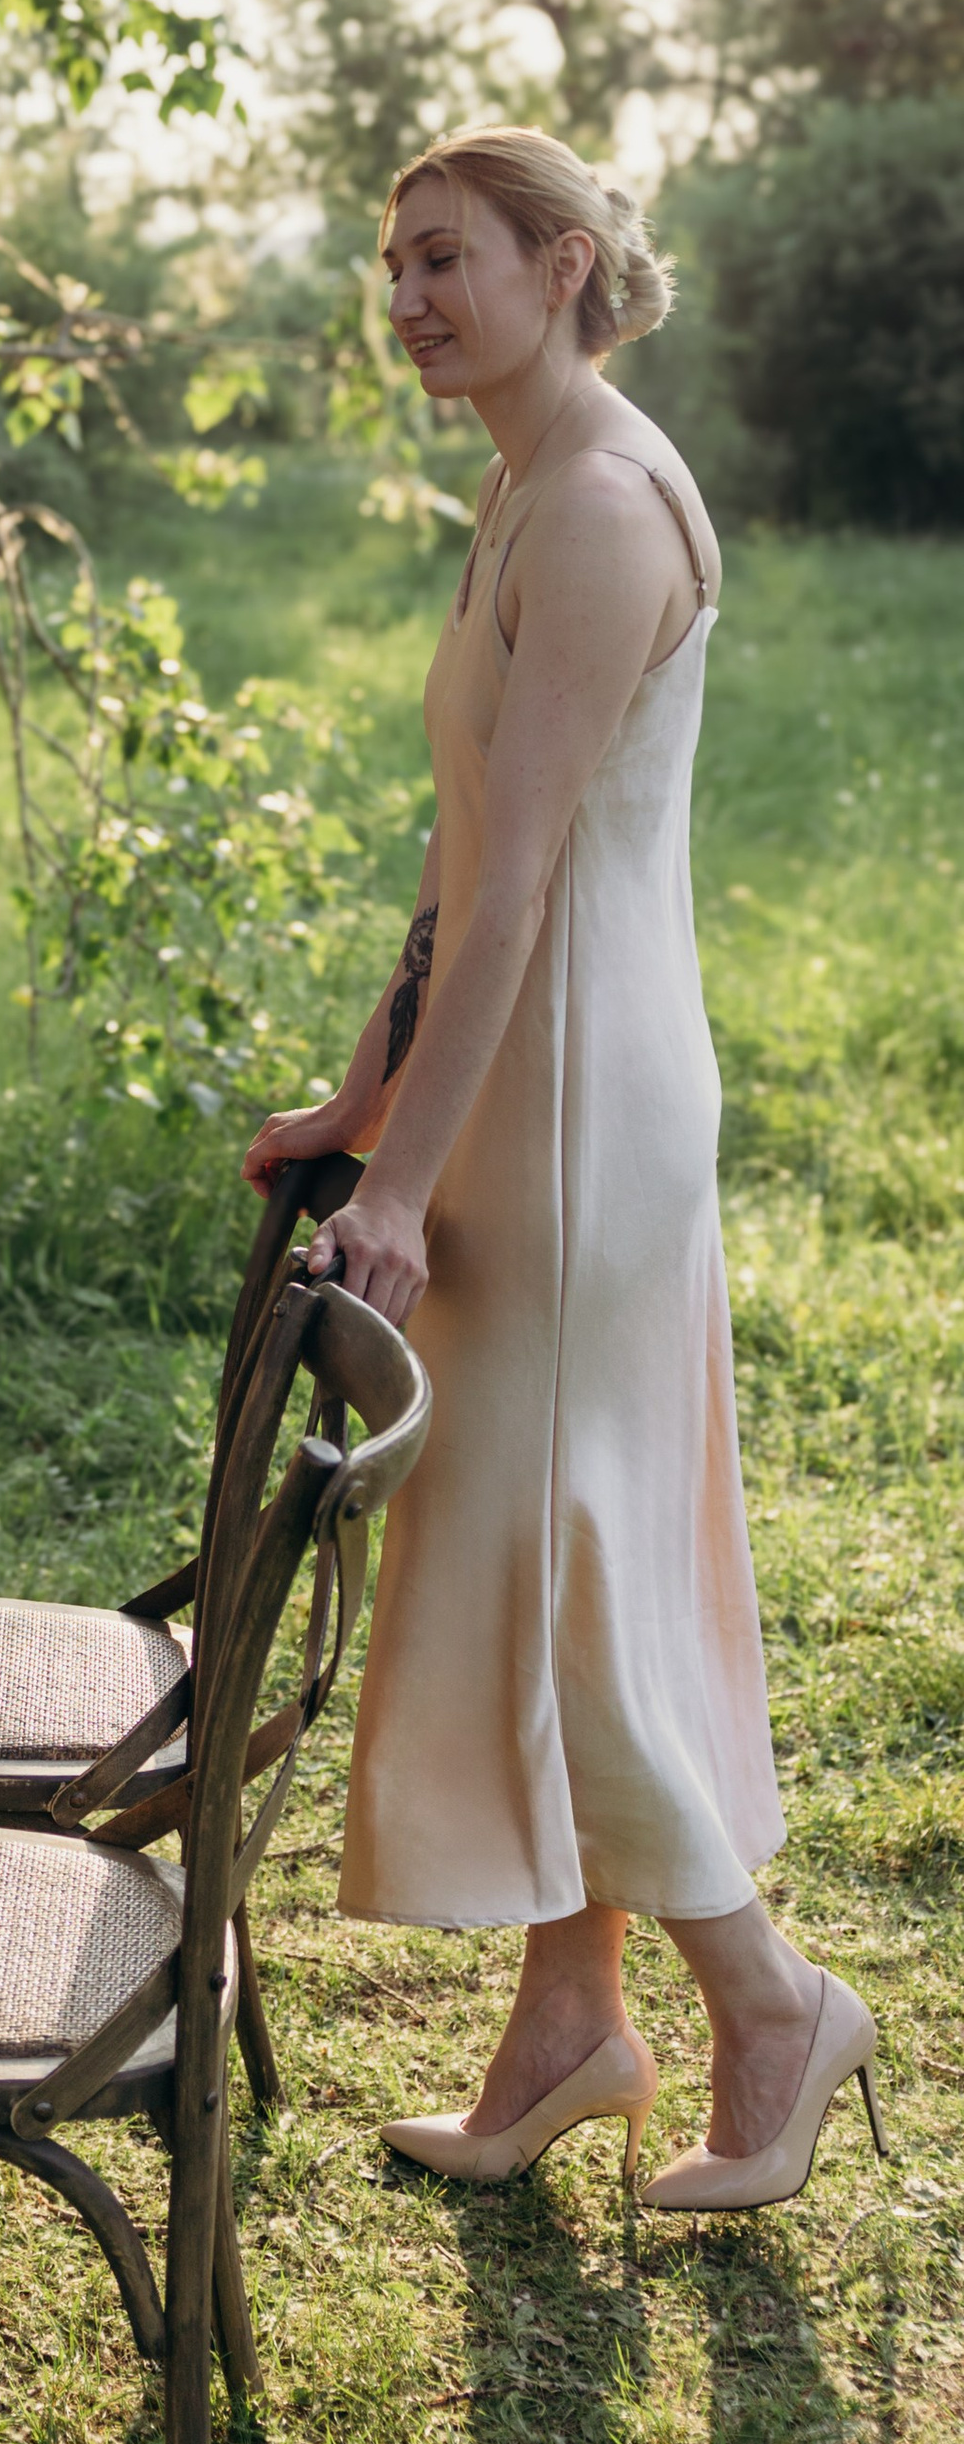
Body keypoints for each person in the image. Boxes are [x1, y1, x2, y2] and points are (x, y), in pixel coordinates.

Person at [245, 125, 884, 2212]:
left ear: (567, 261)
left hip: (578, 1111)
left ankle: (769, 2005)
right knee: (543, 1549)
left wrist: (399, 1193)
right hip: (508, 1087)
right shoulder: (518, 486)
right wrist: (360, 1103)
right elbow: (456, 861)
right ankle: (567, 2027)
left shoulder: (601, 508)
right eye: (394, 264)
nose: (409, 299)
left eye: (448, 258)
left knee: (561, 1569)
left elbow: (519, 894)